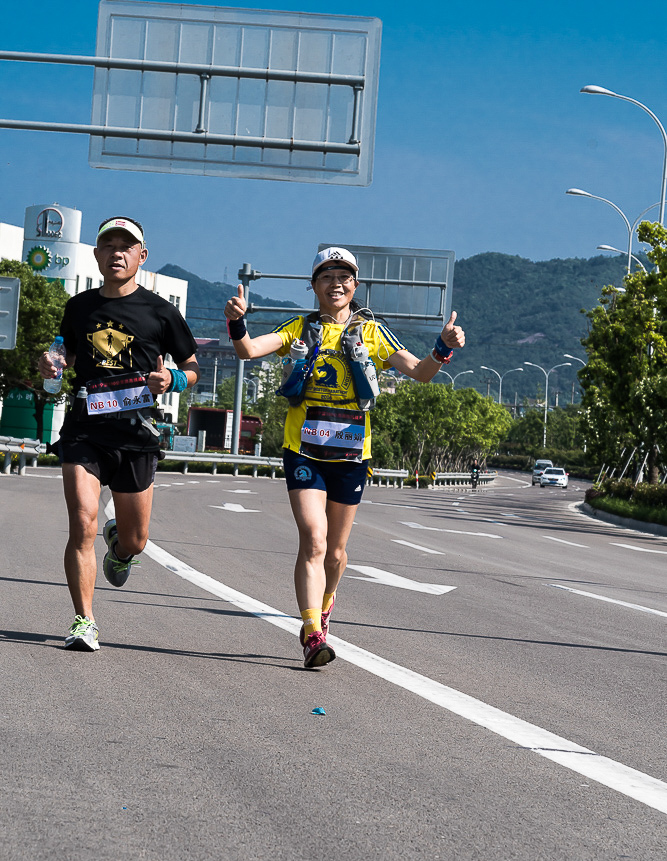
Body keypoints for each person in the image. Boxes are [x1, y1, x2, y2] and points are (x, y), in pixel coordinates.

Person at [224, 246, 465, 669]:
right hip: (304, 450)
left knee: (335, 553)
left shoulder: (372, 332)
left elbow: (420, 372)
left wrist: (442, 348)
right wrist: (237, 321)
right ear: (313, 285)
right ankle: (311, 632)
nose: (335, 284)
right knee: (313, 539)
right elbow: (248, 350)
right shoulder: (300, 328)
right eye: (326, 276)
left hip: (351, 454)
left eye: (344, 277)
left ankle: (326, 601)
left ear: (355, 285)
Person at [38, 216, 200, 651]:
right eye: (108, 245)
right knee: (81, 522)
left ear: (141, 256)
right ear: (96, 254)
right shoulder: (79, 307)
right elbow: (64, 353)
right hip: (85, 429)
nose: (116, 253)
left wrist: (173, 380)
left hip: (136, 434)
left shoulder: (161, 311)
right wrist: (52, 363)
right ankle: (84, 621)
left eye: (125, 246)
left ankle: (121, 548)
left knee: (136, 540)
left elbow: (191, 367)